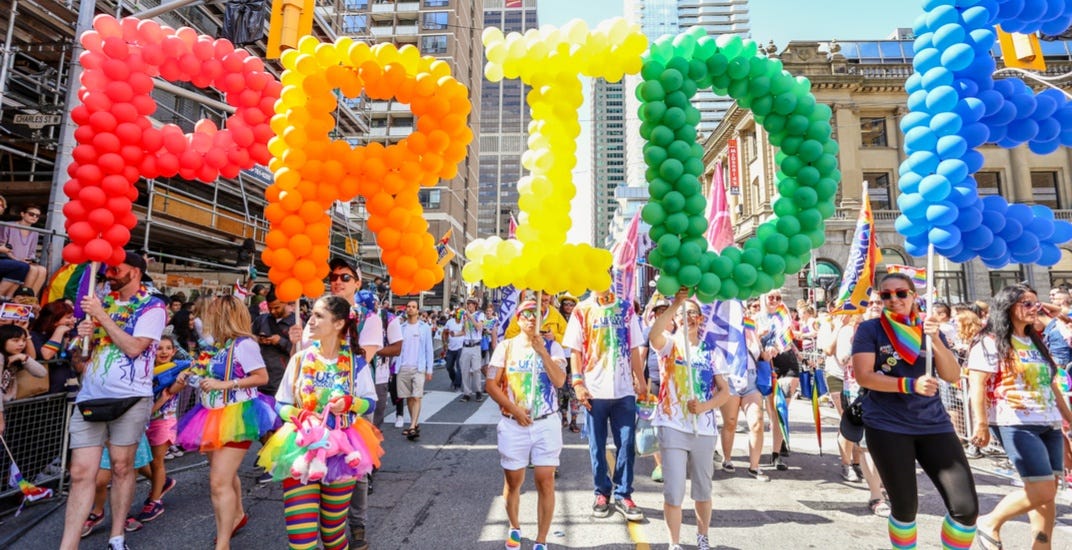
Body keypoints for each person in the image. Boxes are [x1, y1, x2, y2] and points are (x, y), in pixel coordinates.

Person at [851, 273, 978, 550]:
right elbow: (864, 376)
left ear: (913, 296)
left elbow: (952, 374)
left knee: (966, 510)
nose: (894, 299)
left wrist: (936, 341)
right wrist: (909, 384)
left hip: (934, 425)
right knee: (905, 508)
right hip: (887, 426)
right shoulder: (870, 329)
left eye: (900, 293)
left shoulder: (931, 329)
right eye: (886, 295)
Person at [60, 251, 167, 550]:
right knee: (81, 473)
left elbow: (134, 348)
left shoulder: (153, 307)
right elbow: (80, 362)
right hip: (91, 397)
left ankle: (116, 536)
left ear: (134, 272)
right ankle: (67, 546)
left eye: (115, 269)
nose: (108, 273)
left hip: (131, 399)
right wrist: (81, 339)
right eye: (107, 269)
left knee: (122, 467)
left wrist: (102, 317)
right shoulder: (100, 302)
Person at [258, 295, 383, 550]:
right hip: (300, 448)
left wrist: (349, 403)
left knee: (333, 537)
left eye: (318, 316)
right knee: (301, 541)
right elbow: (281, 405)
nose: (310, 321)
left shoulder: (355, 363)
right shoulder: (300, 359)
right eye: (311, 315)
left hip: (341, 450)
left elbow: (370, 402)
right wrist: (301, 415)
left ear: (338, 324)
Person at [969, 284, 1072, 550]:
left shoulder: (1036, 341)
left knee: (1046, 493)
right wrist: (981, 424)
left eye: (1036, 304)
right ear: (1008, 307)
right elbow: (977, 386)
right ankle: (990, 521)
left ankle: (1042, 546)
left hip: (1048, 423)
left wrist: (1067, 418)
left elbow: (1051, 384)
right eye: (1026, 303)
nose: (1034, 309)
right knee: (1042, 489)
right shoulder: (989, 342)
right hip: (1014, 422)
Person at [173, 295, 276, 550]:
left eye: (210, 314)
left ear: (222, 316)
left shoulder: (244, 345)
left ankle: (223, 543)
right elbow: (208, 369)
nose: (204, 319)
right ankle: (238, 515)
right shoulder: (220, 345)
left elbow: (261, 377)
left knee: (218, 481)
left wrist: (225, 383)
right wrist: (193, 373)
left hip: (237, 415)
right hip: (211, 413)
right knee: (224, 476)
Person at [649, 290, 731, 550]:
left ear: (701, 319)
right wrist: (676, 304)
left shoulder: (711, 351)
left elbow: (725, 392)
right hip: (672, 425)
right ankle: (674, 543)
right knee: (674, 491)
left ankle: (702, 536)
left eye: (693, 313)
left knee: (703, 490)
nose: (689, 318)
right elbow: (653, 334)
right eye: (684, 315)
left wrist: (705, 405)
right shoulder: (670, 345)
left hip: (704, 430)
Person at [485, 300, 567, 550]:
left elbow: (560, 381)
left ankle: (541, 540)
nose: (532, 319)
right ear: (518, 319)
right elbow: (491, 384)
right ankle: (515, 526)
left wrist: (542, 351)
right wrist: (515, 410)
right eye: (526, 315)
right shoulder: (506, 347)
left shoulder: (553, 346)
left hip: (546, 423)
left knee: (546, 480)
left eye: (536, 315)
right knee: (513, 482)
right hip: (513, 424)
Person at [563, 287, 646, 522]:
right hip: (594, 391)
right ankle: (601, 492)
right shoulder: (582, 309)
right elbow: (575, 351)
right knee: (597, 447)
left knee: (627, 444)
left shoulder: (626, 308)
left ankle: (623, 494)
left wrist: (640, 380)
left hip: (624, 392)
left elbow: (634, 348)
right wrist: (578, 383)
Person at [130, 334, 185, 527]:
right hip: (144, 422)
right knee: (139, 462)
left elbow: (169, 393)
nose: (163, 352)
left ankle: (155, 501)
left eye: (167, 348)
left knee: (156, 462)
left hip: (163, 421)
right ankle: (162, 482)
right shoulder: (145, 370)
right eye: (159, 348)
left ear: (173, 351)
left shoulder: (179, 372)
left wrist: (160, 401)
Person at [719, 305, 771, 482]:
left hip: (751, 379)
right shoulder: (723, 325)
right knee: (730, 422)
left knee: (757, 422)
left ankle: (754, 466)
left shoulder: (751, 325)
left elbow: (757, 352)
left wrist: (766, 354)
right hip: (731, 377)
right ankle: (727, 458)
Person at [395, 300, 434, 440]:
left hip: (419, 367)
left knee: (417, 396)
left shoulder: (424, 328)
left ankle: (412, 425)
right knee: (409, 398)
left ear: (418, 310)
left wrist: (429, 368)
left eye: (413, 307)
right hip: (403, 367)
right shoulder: (401, 327)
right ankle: (414, 423)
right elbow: (397, 347)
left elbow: (429, 349)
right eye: (408, 306)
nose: (410, 309)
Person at [251, 287, 296, 396]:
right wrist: (258, 339)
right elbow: (248, 337)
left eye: (276, 307)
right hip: (258, 376)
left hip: (280, 379)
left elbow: (301, 352)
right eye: (270, 308)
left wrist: (281, 341)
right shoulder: (262, 320)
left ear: (285, 303)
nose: (273, 311)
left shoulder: (296, 324)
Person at [29, 300, 79, 395]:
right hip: (43, 395)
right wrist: (59, 331)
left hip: (67, 391)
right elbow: (46, 355)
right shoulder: (35, 336)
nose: (73, 320)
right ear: (54, 320)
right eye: (68, 317)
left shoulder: (72, 335)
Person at [0, 204, 47, 295]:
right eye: (31, 214)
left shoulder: (34, 232)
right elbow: (3, 245)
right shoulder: (9, 225)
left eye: (37, 216)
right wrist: (17, 259)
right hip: (8, 258)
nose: (34, 217)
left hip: (24, 260)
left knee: (42, 270)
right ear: (22, 214)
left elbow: (32, 251)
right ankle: (22, 297)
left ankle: (30, 299)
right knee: (32, 269)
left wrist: (30, 259)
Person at [456, 297, 486, 402]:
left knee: (477, 369)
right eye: (468, 304)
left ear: (475, 305)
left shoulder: (480, 315)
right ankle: (466, 393)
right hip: (466, 345)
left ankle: (478, 391)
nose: (469, 306)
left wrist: (470, 317)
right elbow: (464, 331)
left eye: (471, 304)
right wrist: (454, 334)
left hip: (476, 345)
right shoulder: (465, 316)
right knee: (464, 370)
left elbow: (479, 327)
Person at [443, 308, 464, 391]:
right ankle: (454, 380)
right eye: (458, 313)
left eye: (461, 313)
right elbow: (444, 332)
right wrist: (444, 343)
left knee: (459, 367)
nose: (459, 315)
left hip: (461, 347)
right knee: (449, 366)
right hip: (451, 348)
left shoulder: (464, 322)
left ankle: (457, 385)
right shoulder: (450, 322)